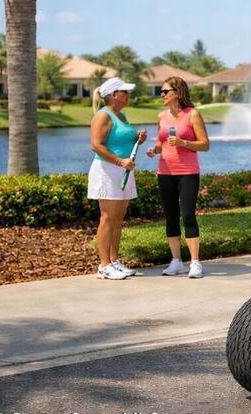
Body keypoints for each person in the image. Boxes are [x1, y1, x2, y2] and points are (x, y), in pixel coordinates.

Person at [146, 77, 210, 278]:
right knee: (171, 216)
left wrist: (184, 143)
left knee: (188, 215)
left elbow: (205, 144)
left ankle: (195, 262)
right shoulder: (161, 116)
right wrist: (154, 150)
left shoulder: (192, 114)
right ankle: (176, 262)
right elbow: (160, 142)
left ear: (178, 92)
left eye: (165, 91)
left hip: (188, 172)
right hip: (165, 172)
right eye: (161, 91)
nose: (162, 95)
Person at [89, 77, 147, 280]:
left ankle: (114, 261)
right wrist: (120, 161)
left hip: (123, 171)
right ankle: (104, 266)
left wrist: (138, 140)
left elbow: (121, 141)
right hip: (107, 170)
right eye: (125, 92)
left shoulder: (121, 115)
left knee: (117, 219)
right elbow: (96, 145)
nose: (128, 95)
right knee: (107, 218)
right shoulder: (103, 116)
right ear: (114, 95)